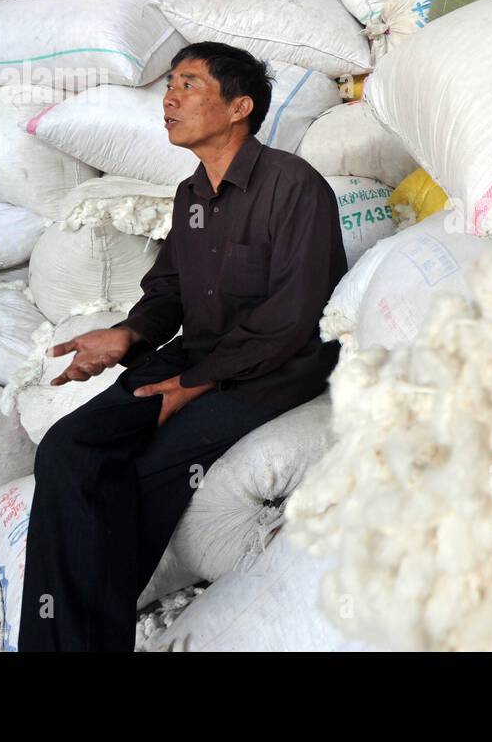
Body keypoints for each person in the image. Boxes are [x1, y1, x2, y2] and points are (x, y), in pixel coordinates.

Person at [17, 42, 347, 652]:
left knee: (144, 470)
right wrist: (129, 333)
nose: (170, 97)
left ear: (239, 107)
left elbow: (291, 318)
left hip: (273, 370)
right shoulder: (191, 196)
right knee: (68, 447)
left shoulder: (294, 187)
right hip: (196, 355)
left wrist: (191, 387)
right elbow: (169, 289)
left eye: (190, 84)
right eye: (170, 82)